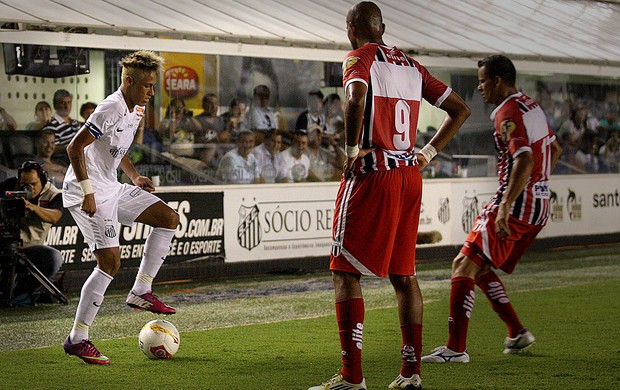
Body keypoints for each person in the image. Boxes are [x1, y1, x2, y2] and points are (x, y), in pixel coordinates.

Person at [309, 3, 470, 389]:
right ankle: (411, 372)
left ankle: (352, 378)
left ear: (351, 28)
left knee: (345, 272)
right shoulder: (412, 67)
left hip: (374, 173)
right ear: (384, 27)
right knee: (404, 274)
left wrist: (350, 151)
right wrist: (427, 153)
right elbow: (459, 109)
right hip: (409, 174)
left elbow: (356, 97)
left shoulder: (357, 58)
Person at [421, 55, 562, 365]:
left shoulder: (507, 111)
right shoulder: (531, 106)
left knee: (462, 264)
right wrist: (538, 185)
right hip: (538, 203)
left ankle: (455, 349)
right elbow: (555, 148)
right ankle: (516, 331)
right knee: (479, 267)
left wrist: (506, 206)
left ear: (498, 80)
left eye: (483, 80)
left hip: (516, 203)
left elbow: (524, 159)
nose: (480, 87)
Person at [62, 50, 180, 365]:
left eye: (154, 86)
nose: (151, 92)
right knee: (110, 263)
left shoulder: (135, 109)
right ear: (128, 81)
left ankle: (141, 290)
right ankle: (78, 339)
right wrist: (88, 192)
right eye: (147, 86)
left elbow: (116, 150)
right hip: (86, 189)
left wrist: (134, 176)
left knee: (168, 218)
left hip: (111, 186)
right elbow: (74, 147)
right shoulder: (111, 107)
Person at [0, 161, 63, 307]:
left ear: (43, 180)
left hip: (30, 248)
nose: (28, 188)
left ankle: (21, 296)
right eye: (23, 184)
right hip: (4, 242)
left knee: (53, 257)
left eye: (33, 184)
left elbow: (54, 217)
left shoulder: (54, 194)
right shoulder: (10, 186)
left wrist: (31, 207)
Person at [42, 89, 81, 154]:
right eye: (63, 103)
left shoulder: (75, 123)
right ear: (55, 105)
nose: (67, 106)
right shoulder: (51, 125)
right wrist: (73, 147)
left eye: (69, 102)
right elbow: (51, 148)